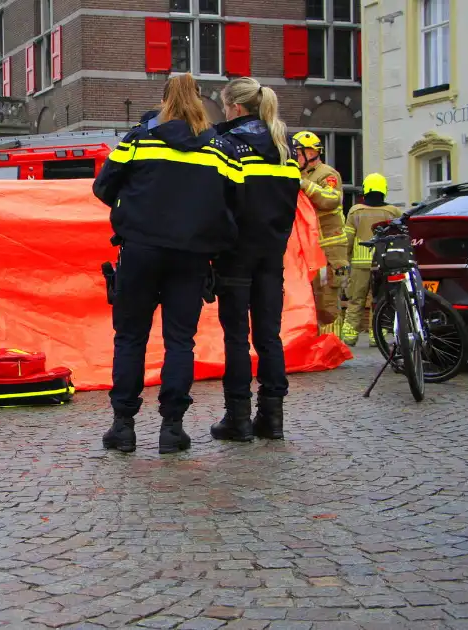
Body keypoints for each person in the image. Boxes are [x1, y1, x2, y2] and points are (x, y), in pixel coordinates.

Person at [93, 74, 242, 455]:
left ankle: (123, 427)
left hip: (140, 250)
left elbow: (102, 187)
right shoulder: (219, 148)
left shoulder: (137, 141)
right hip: (190, 256)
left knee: (130, 338)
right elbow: (234, 200)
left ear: (163, 102)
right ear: (198, 100)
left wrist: (136, 210)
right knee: (180, 341)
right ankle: (172, 430)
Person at [208, 77, 299, 442]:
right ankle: (272, 418)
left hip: (236, 255)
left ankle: (238, 418)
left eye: (225, 105)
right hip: (271, 253)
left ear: (236, 108)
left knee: (236, 337)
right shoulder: (284, 146)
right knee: (269, 337)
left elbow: (219, 203)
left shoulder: (227, 144)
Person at [293, 131, 348, 337]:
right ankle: (318, 344)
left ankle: (332, 345)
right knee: (313, 298)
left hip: (330, 251)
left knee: (328, 302)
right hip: (312, 250)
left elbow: (330, 199)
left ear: (310, 152)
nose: (296, 158)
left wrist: (304, 185)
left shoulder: (327, 175)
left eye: (298, 153)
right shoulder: (302, 173)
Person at [342, 173, 402, 347]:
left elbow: (348, 239)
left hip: (359, 265)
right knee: (380, 300)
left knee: (355, 300)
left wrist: (344, 260)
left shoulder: (355, 211)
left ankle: (349, 336)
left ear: (365, 189)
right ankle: (377, 336)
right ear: (384, 190)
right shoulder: (393, 211)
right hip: (383, 264)